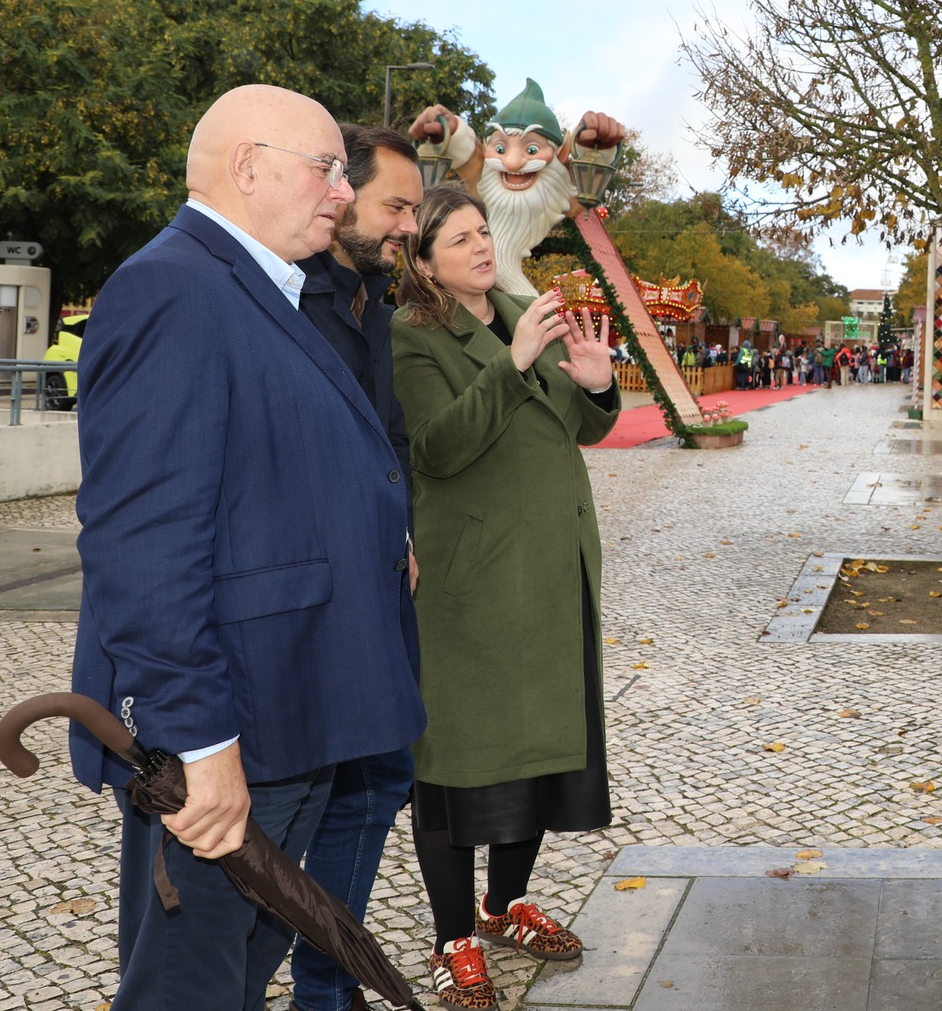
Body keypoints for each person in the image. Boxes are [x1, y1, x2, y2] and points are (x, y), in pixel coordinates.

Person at [71, 86, 423, 1010]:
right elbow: (144, 542)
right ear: (246, 166)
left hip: (293, 706)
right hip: (237, 723)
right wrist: (199, 740)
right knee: (187, 985)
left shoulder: (261, 287)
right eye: (327, 168)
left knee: (234, 975)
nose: (342, 191)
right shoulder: (171, 287)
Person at [393, 186, 622, 1009]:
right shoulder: (412, 336)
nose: (482, 246)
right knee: (459, 763)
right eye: (458, 239)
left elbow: (580, 427)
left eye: (482, 230)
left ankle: (504, 904)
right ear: (424, 262)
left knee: (541, 748)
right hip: (473, 586)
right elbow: (437, 447)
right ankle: (453, 937)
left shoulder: (526, 311)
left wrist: (598, 387)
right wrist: (512, 362)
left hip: (553, 573)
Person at [290, 123, 425, 1011]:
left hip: (378, 588)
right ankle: (317, 985)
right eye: (396, 206)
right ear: (339, 193)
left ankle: (327, 985)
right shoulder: (290, 300)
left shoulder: (371, 299)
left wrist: (400, 529)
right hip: (317, 601)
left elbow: (389, 438)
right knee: (301, 807)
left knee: (377, 785)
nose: (408, 224)